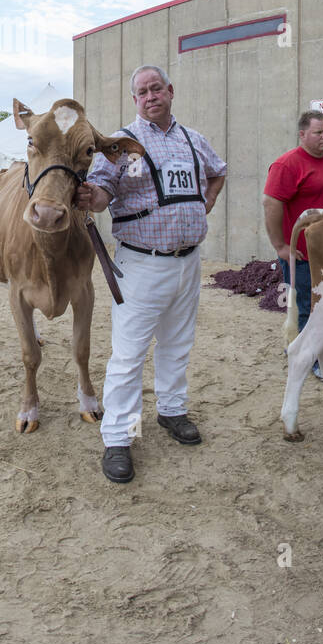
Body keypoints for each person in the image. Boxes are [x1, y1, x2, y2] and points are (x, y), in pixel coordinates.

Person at [75, 63, 227, 485]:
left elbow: (219, 171)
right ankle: (118, 438)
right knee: (128, 353)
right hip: (141, 263)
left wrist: (206, 203)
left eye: (155, 88)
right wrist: (92, 195)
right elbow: (102, 195)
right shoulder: (121, 145)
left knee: (178, 343)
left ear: (170, 91)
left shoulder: (194, 141)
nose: (150, 96)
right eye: (141, 92)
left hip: (188, 261)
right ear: (135, 101)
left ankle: (172, 411)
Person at [262, 108, 323, 373]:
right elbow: (271, 203)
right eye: (318, 132)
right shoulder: (287, 165)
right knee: (304, 306)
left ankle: (310, 347)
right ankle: (308, 358)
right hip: (301, 254)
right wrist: (281, 246)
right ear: (302, 134)